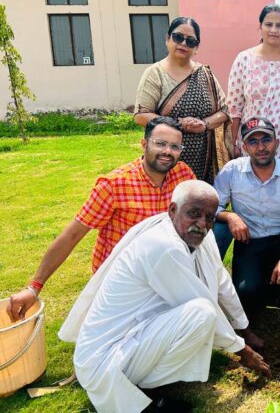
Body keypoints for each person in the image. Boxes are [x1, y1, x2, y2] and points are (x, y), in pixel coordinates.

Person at [58, 181, 270, 413]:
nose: (202, 224)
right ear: (172, 210)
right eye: (193, 213)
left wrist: (244, 328)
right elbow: (204, 302)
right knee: (201, 313)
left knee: (201, 315)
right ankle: (139, 396)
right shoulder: (163, 245)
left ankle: (143, 383)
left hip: (136, 334)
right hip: (105, 360)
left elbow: (221, 282)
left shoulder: (199, 234)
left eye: (209, 217)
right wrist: (242, 350)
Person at [6, 117, 195, 323]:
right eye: (160, 143)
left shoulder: (182, 174)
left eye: (175, 146)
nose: (167, 151)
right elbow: (72, 235)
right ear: (144, 144)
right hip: (120, 277)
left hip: (162, 269)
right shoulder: (114, 185)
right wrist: (34, 287)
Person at [212, 117, 280, 307]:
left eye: (266, 140)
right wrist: (230, 216)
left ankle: (279, 277)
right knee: (246, 292)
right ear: (244, 147)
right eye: (253, 141)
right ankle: (273, 283)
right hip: (250, 241)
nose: (261, 147)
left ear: (277, 142)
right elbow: (213, 207)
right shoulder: (232, 171)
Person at [133, 17, 230, 185]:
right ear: (168, 39)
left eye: (190, 41)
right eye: (178, 37)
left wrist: (204, 124)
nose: (184, 43)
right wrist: (178, 124)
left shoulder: (205, 74)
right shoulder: (155, 73)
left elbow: (225, 111)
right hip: (165, 154)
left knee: (199, 202)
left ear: (196, 47)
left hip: (202, 157)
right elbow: (141, 116)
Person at [227, 4, 280, 165]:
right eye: (269, 24)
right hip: (252, 141)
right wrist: (232, 143)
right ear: (260, 27)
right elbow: (234, 108)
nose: (274, 30)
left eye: (279, 25)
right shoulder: (244, 59)